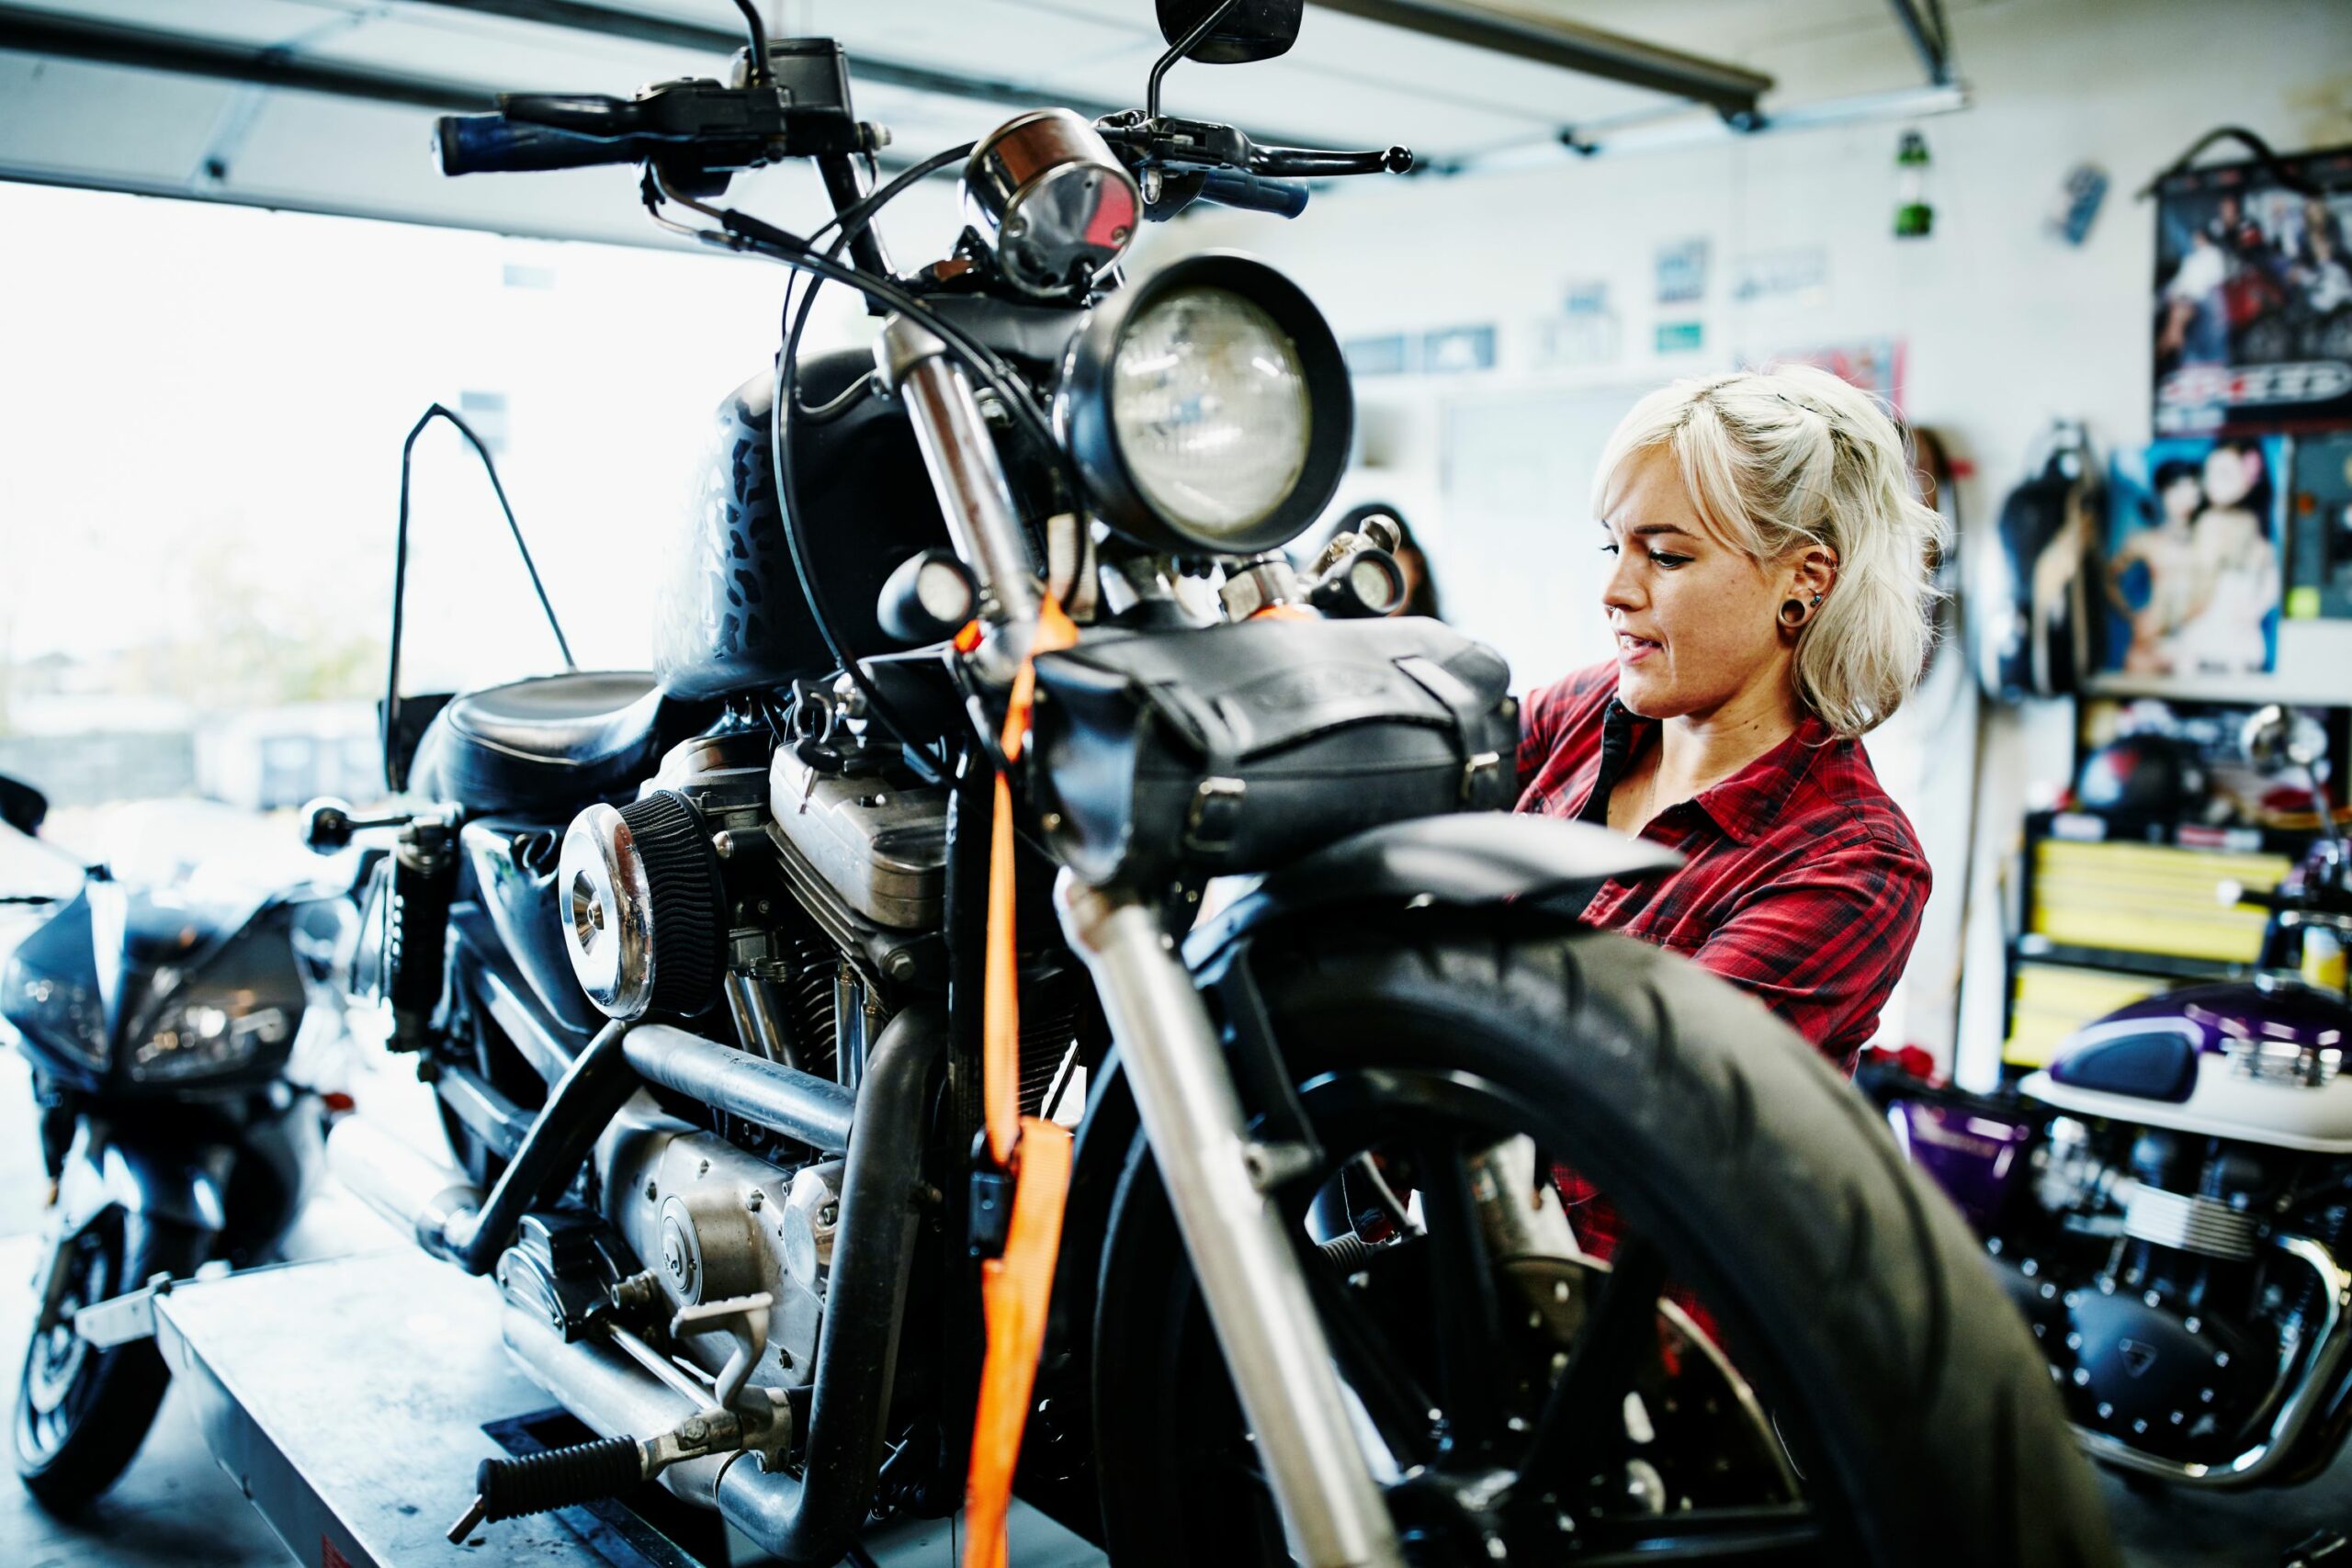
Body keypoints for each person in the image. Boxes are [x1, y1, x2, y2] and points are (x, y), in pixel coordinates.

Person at [1515, 365, 1940, 1068]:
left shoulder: (1851, 866)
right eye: (1611, 546)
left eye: (1667, 556)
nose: (1615, 590)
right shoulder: (1586, 713)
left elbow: (1638, 1103)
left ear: (1805, 578)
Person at [2104, 457, 2205, 675]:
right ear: (2162, 492)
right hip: (2149, 641)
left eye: (2193, 488)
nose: (2185, 499)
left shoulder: (2206, 540)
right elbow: (2108, 577)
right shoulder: (2145, 541)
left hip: (2194, 643)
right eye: (2177, 488)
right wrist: (2131, 613)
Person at [1323, 502, 1442, 619]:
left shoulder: (1438, 636)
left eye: (1382, 568)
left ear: (1416, 567)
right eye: (1358, 572)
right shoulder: (1316, 630)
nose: (1371, 584)